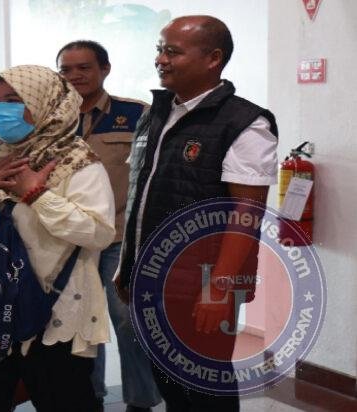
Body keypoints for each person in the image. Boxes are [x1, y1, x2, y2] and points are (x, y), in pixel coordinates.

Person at [114, 15, 278, 411]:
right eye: (160, 50)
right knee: (168, 380)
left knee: (204, 385)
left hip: (203, 282)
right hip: (151, 277)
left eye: (173, 51)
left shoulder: (245, 123)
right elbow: (140, 195)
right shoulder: (155, 113)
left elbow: (246, 213)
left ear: (213, 58)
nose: (161, 59)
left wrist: (219, 289)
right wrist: (127, 263)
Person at [0, 65, 116, 412]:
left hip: (53, 312)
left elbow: (98, 233)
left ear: (46, 103)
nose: (0, 109)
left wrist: (37, 195)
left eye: (14, 100)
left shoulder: (78, 162)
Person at [57, 40, 161, 412]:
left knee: (128, 321)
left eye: (83, 67)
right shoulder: (50, 120)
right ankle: (90, 398)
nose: (74, 76)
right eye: (66, 70)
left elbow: (153, 174)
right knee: (80, 323)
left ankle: (140, 401)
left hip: (120, 237)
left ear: (105, 69)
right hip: (69, 240)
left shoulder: (137, 114)